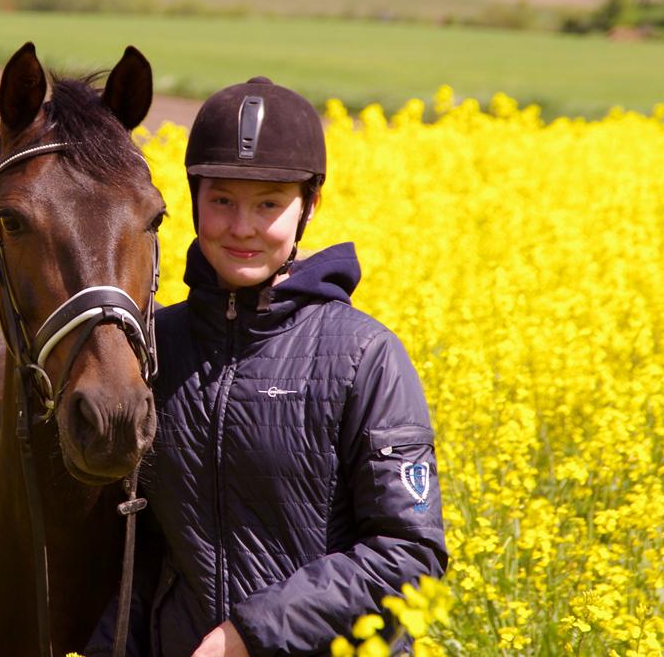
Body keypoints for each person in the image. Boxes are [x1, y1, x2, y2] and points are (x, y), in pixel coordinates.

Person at [87, 78, 447, 656]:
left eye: (269, 204)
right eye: (222, 200)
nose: (243, 227)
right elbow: (142, 549)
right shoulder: (153, 349)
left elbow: (409, 552)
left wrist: (249, 635)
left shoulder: (364, 356)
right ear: (194, 198)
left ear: (309, 206)